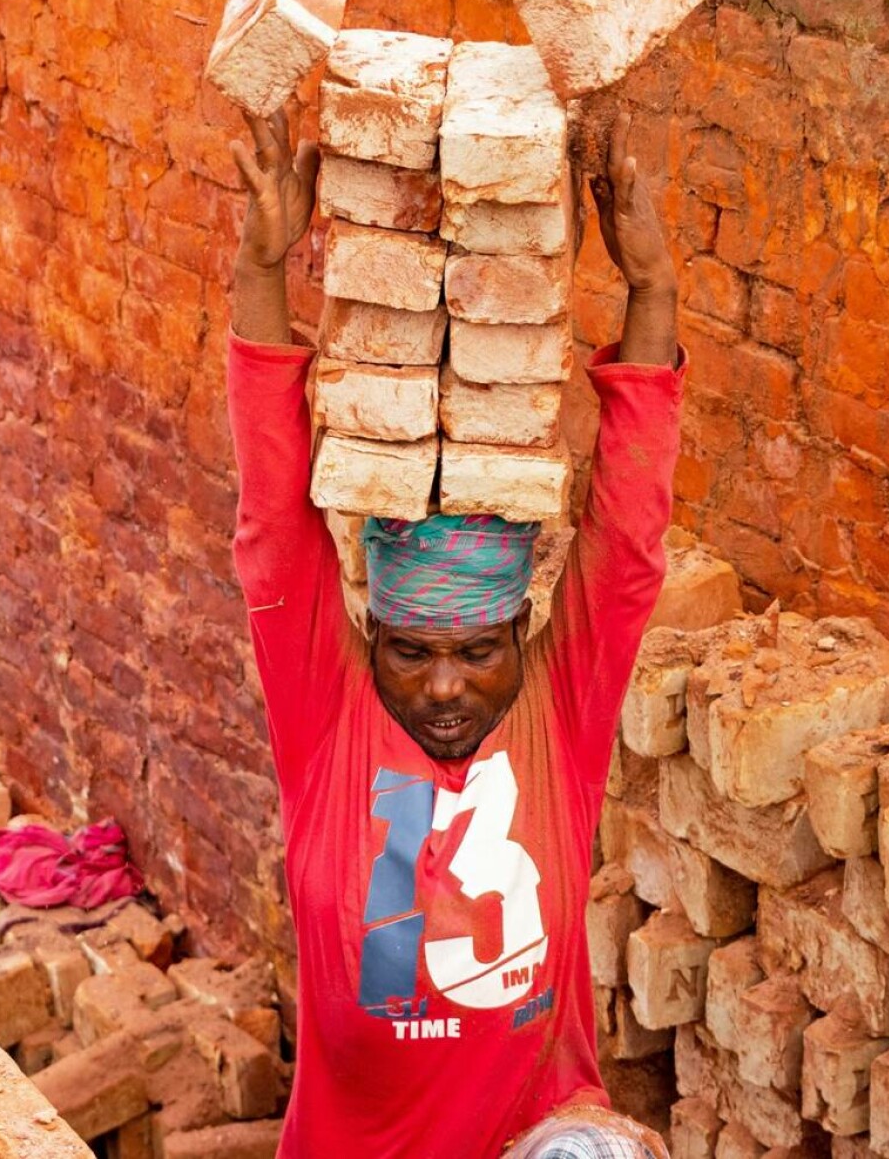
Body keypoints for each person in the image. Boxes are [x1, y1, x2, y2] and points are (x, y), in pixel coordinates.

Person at [226, 104, 685, 1159]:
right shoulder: (329, 728)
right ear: (367, 632)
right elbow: (272, 529)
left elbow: (626, 548)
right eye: (410, 650)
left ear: (522, 635)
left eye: (476, 650)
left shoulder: (553, 725)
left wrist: (652, 288)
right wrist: (262, 271)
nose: (442, 687)